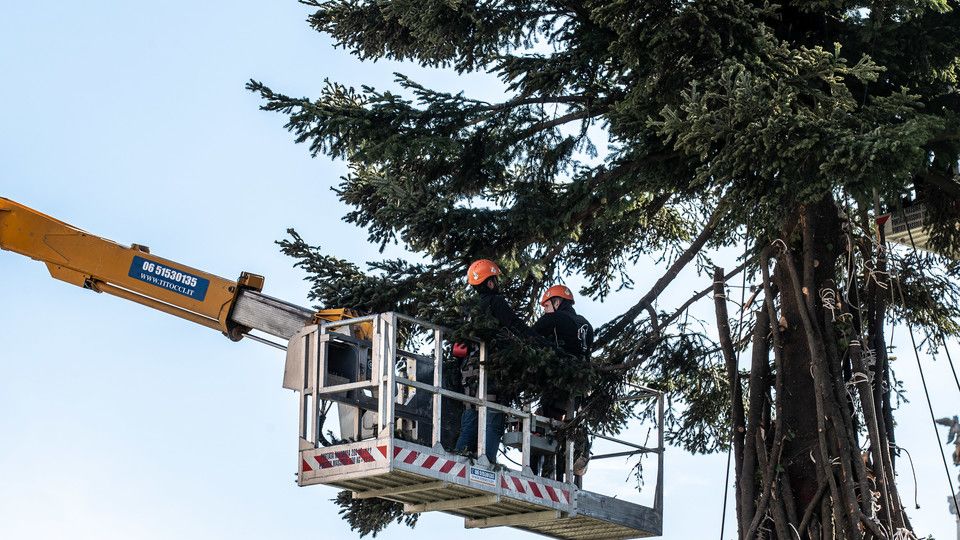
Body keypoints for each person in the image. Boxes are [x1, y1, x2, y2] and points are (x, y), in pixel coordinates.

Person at [453, 259, 530, 464]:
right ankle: (486, 463)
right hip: (488, 369)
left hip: (469, 371)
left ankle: (459, 457)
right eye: (495, 279)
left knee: (470, 415)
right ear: (489, 282)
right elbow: (514, 325)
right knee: (493, 417)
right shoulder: (495, 302)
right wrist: (537, 342)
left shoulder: (469, 309)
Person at [531, 284, 594, 481]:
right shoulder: (586, 324)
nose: (546, 311)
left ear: (557, 302)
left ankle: (544, 475)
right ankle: (569, 469)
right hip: (580, 386)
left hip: (559, 382)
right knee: (570, 426)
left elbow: (531, 335)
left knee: (548, 425)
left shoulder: (556, 318)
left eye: (547, 306)